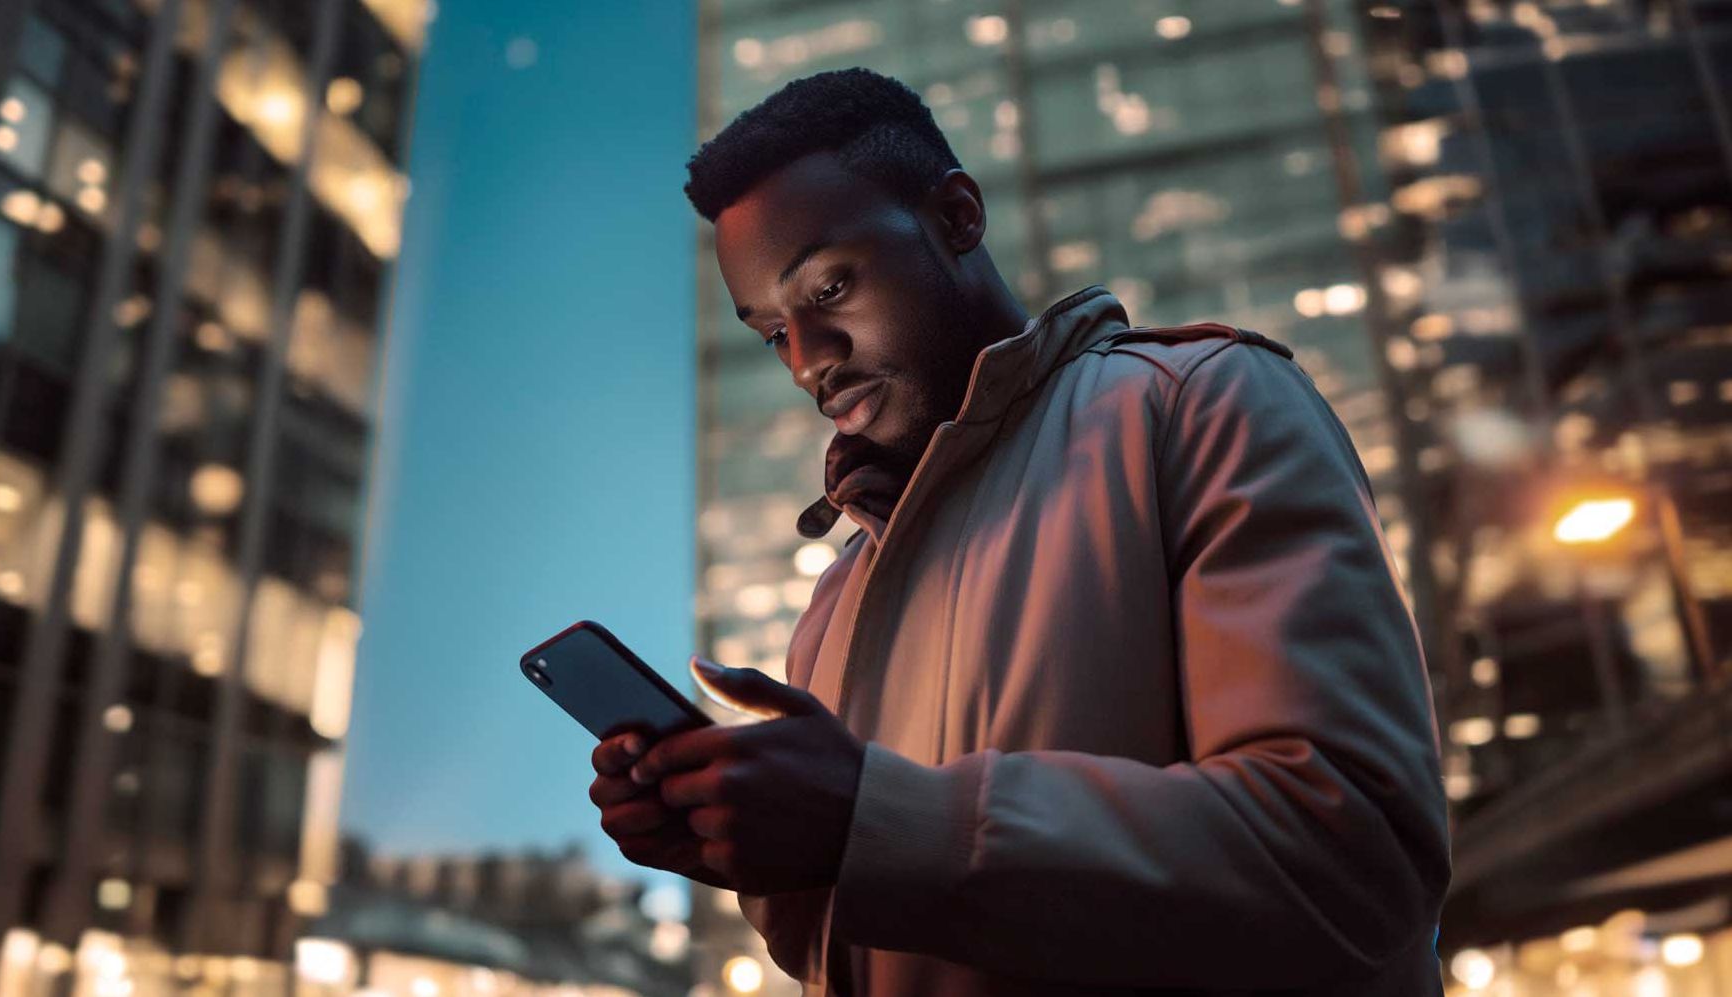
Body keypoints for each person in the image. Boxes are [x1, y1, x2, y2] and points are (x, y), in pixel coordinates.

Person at [587, 67, 1451, 996]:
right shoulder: (836, 596)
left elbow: (1349, 862)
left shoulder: (1197, 405)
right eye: (771, 333)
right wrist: (756, 851)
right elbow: (865, 956)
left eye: (829, 288)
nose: (806, 363)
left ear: (957, 218)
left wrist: (870, 819)